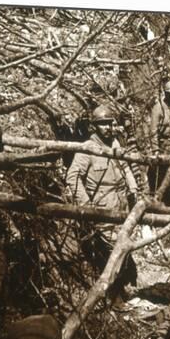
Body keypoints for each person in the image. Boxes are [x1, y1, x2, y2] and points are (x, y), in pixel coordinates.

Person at [65, 105, 138, 302]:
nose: (107, 127)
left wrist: (133, 190)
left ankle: (125, 287)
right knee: (111, 252)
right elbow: (72, 178)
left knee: (125, 245)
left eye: (109, 123)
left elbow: (125, 167)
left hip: (121, 206)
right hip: (102, 209)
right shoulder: (87, 149)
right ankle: (115, 297)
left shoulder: (115, 144)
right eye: (102, 124)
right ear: (94, 126)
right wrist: (88, 205)